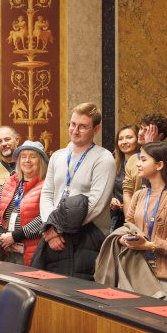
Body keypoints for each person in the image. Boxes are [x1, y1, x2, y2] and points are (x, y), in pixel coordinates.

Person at [123, 141, 167, 301]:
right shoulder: (138, 196)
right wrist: (125, 239)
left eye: (143, 160)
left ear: (160, 164)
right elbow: (127, 227)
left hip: (163, 278)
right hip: (136, 273)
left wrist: (150, 245)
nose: (138, 164)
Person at [40, 102, 115, 243]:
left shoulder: (104, 159)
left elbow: (96, 204)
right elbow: (47, 194)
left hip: (89, 236)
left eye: (83, 127)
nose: (75, 131)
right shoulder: (57, 156)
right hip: (54, 234)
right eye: (73, 124)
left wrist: (58, 228)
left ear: (96, 129)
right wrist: (50, 226)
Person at [0, 140, 48, 265]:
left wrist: (14, 236)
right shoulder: (11, 181)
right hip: (5, 248)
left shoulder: (46, 185)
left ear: (41, 161)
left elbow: (45, 218)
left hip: (31, 251)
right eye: (23, 156)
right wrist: (0, 235)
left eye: (33, 156)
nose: (27, 160)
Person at [123, 113, 167, 205]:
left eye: (147, 131)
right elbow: (127, 191)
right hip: (136, 210)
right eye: (141, 128)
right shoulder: (133, 159)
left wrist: (150, 146)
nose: (141, 133)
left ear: (160, 136)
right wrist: (129, 218)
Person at [111, 125, 139, 231]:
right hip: (117, 218)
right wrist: (112, 199)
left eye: (129, 138)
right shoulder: (115, 164)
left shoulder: (143, 164)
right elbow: (109, 188)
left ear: (138, 139)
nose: (124, 142)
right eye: (120, 139)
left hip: (138, 217)